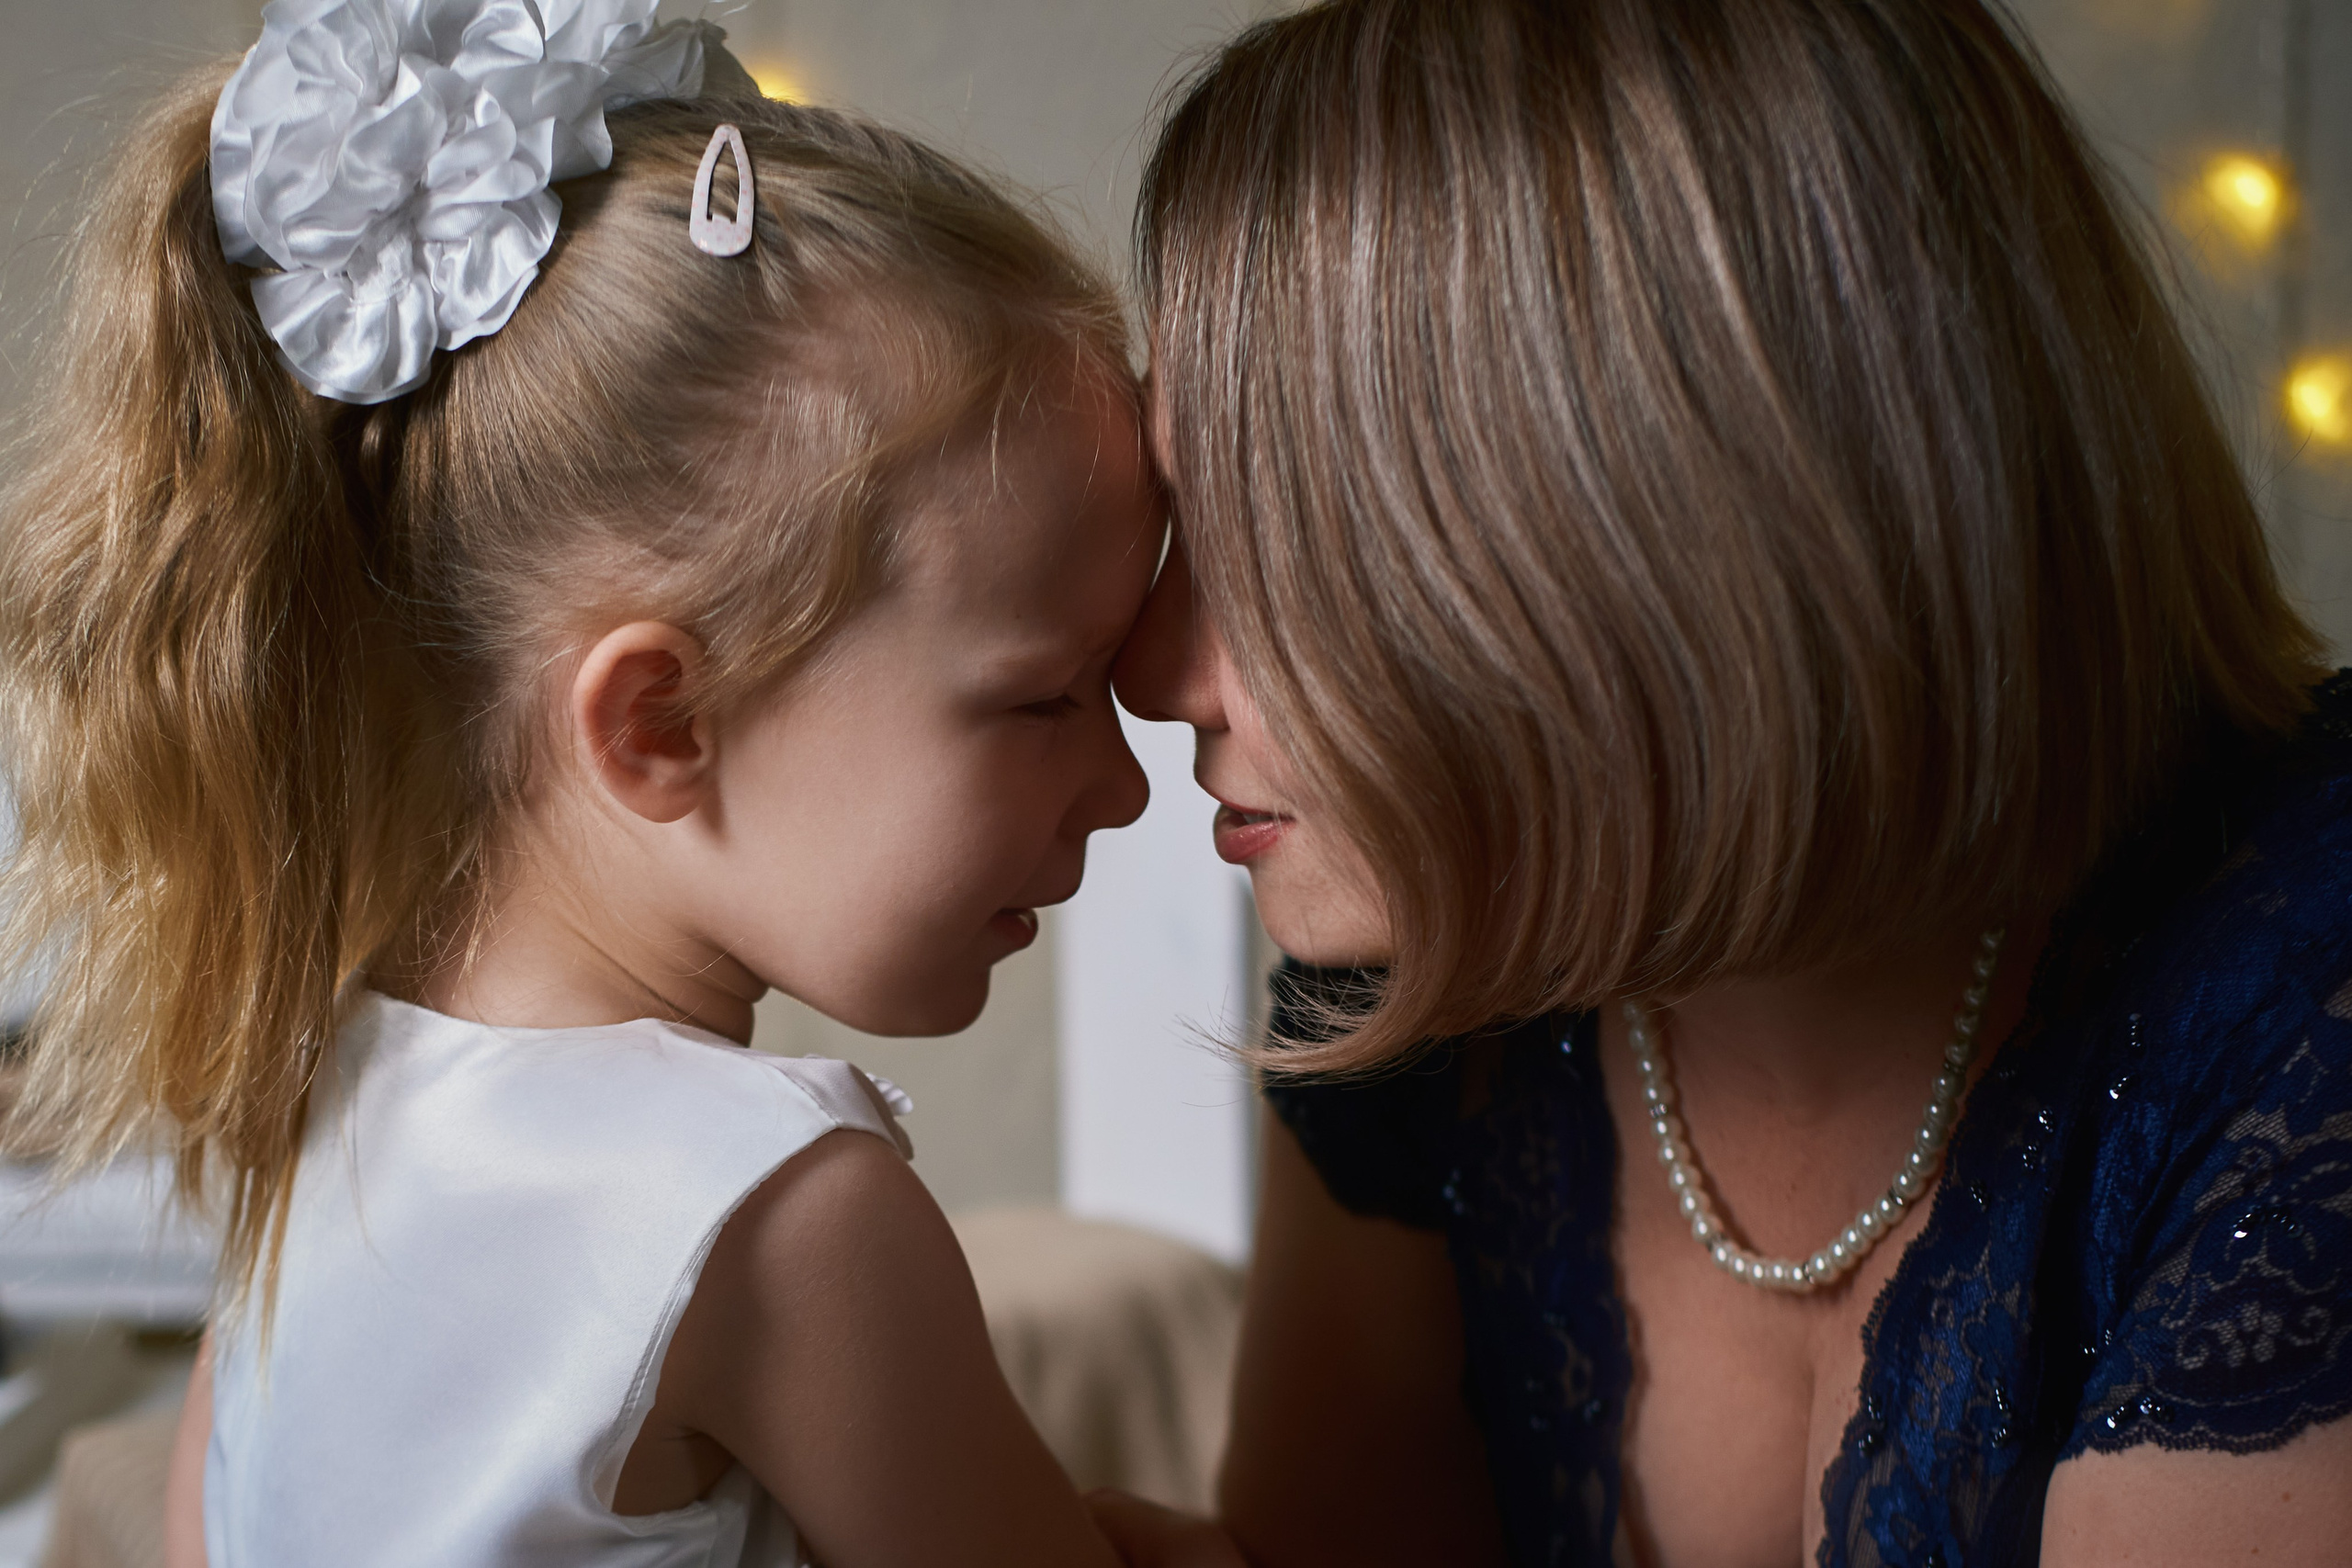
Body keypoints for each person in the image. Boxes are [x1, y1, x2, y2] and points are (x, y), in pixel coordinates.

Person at [1096, 1, 2352, 1564]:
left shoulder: (2303, 1032)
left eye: (1271, 543)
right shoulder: (1437, 973)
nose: (1150, 673)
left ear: (1648, 522)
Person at [0, 5, 1157, 1564]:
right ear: (663, 721)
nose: (1123, 785)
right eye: (1044, 696)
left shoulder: (331, 1098)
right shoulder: (782, 1216)